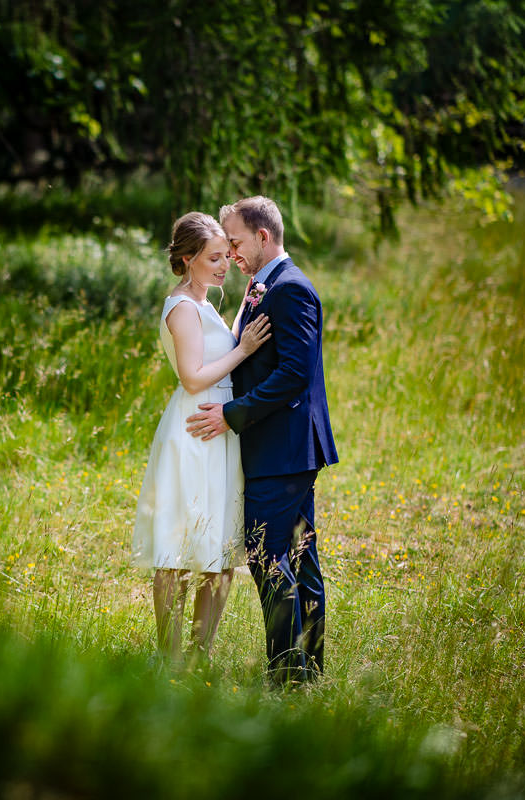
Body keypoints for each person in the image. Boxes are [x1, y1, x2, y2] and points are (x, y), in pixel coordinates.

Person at [185, 195, 339, 685]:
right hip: (282, 446)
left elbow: (294, 373)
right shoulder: (262, 286)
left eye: (235, 242)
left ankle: (287, 677)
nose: (231, 252)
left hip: (282, 446)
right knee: (298, 556)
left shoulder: (290, 289)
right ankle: (307, 668)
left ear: (263, 237)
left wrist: (232, 414)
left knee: (268, 557)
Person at [133, 211, 271, 665]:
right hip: (194, 430)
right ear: (188, 259)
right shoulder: (182, 308)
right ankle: (171, 656)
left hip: (220, 429)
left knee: (220, 549)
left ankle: (200, 654)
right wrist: (244, 350)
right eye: (214, 258)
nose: (224, 264)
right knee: (177, 547)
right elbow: (193, 378)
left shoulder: (206, 303)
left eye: (227, 256)